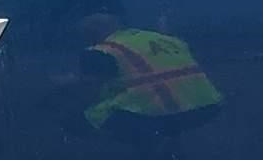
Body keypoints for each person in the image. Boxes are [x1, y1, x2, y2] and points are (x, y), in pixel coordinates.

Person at [77, 12, 223, 140]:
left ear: (93, 33)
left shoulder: (102, 50)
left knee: (91, 115)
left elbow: (90, 87)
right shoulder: (162, 38)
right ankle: (168, 139)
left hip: (155, 113)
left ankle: (149, 146)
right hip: (207, 106)